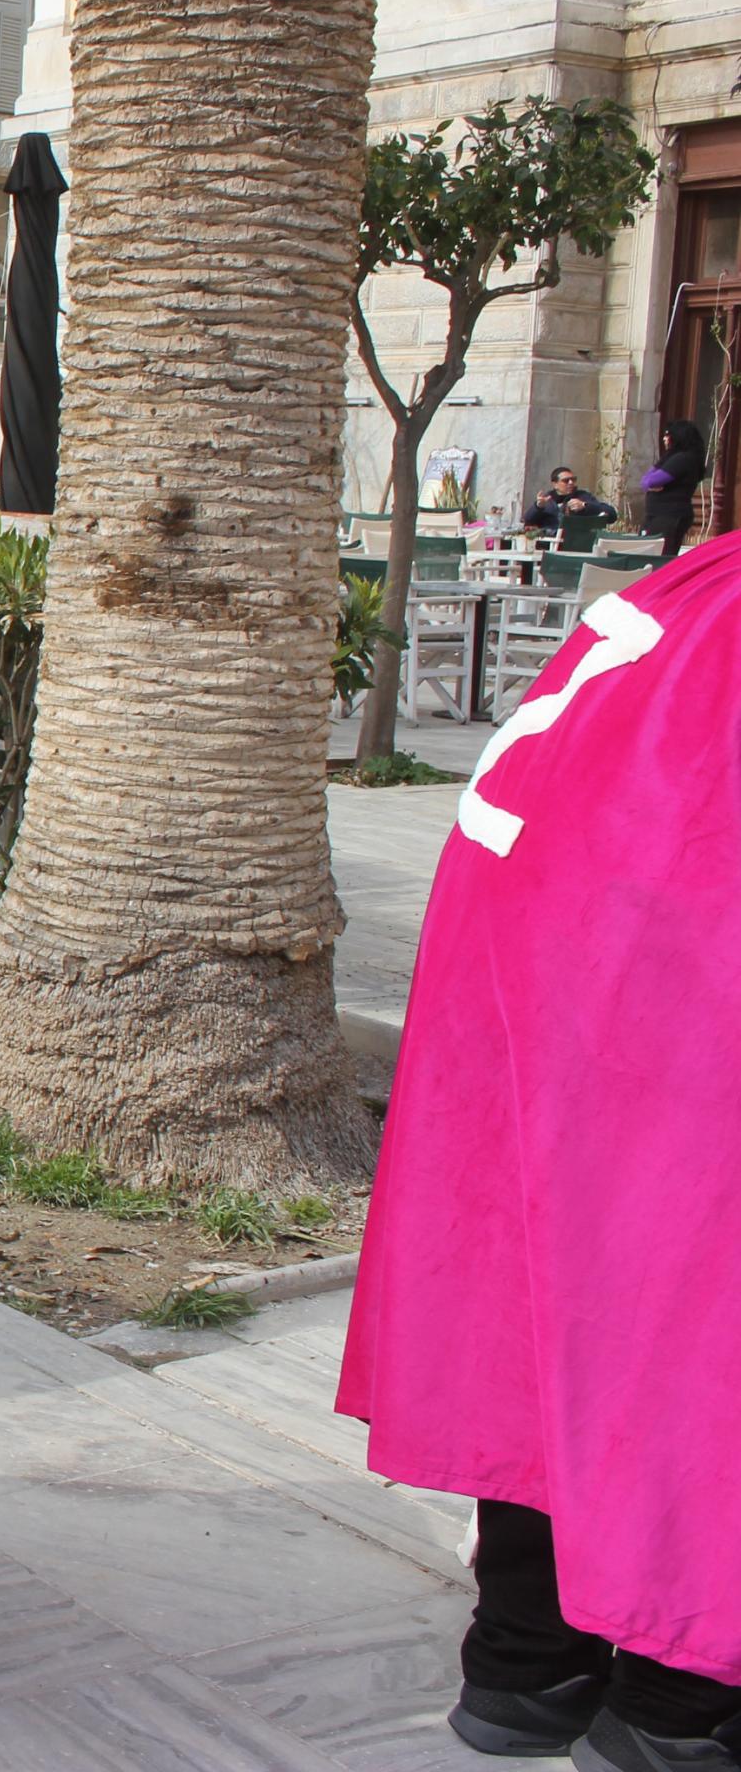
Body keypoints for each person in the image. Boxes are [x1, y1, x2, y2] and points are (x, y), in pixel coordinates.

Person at [337, 531, 741, 1771]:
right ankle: (681, 1694)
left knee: (548, 1289)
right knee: (691, 1315)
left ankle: (528, 1653)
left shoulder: (683, 596)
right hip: (674, 969)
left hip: (547, 965)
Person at [644, 418, 709, 560]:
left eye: (668, 435)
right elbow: (646, 482)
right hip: (663, 515)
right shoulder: (679, 457)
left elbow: (650, 481)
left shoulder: (682, 459)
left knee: (659, 559)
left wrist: (652, 482)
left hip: (669, 516)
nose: (664, 439)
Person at [532, 465, 618, 537]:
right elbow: (528, 521)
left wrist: (585, 506)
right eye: (566, 481)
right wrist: (538, 507)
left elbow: (612, 514)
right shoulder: (547, 500)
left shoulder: (583, 496)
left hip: (579, 542)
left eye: (573, 479)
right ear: (555, 484)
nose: (571, 482)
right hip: (550, 543)